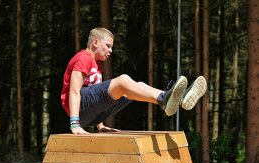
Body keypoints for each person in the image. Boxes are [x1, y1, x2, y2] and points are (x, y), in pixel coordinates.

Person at [60, 27, 207, 135]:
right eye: (108, 46)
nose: (111, 51)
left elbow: (97, 96)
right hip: (79, 112)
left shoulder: (97, 64)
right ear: (95, 43)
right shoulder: (83, 59)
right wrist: (75, 125)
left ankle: (175, 99)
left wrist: (100, 126)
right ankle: (165, 98)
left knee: (136, 87)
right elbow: (74, 91)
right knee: (123, 81)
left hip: (91, 115)